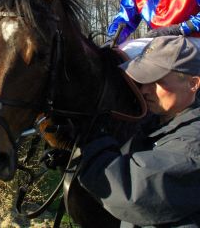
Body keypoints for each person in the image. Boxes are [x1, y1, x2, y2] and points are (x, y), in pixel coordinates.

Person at [78, 35, 200, 228]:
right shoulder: (156, 122)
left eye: (156, 81)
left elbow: (132, 189)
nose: (144, 90)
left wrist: (88, 144)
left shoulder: (194, 144)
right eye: (143, 81)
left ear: (193, 83)